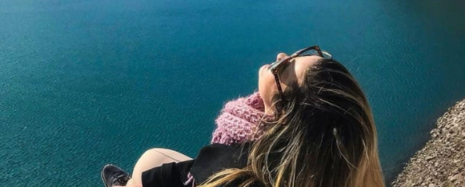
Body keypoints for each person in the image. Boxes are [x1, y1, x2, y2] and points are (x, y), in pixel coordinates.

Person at [101, 46, 385, 187]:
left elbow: (193, 174)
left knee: (149, 161)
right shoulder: (322, 163)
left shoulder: (233, 163)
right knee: (156, 154)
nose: (281, 54)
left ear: (284, 115)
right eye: (315, 54)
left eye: (285, 67)